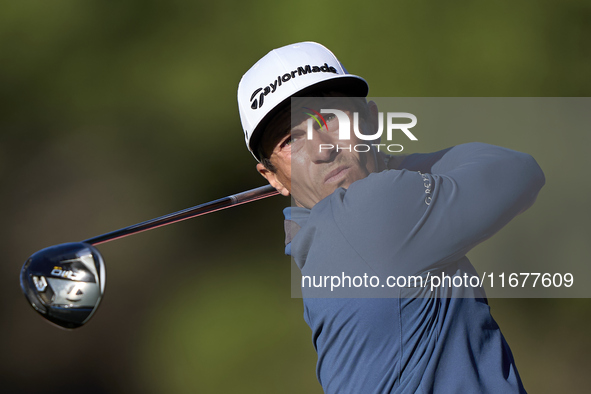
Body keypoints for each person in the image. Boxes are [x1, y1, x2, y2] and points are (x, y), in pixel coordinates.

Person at [237, 42, 545, 393]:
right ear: (272, 176)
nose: (323, 148)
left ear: (369, 120)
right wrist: (389, 163)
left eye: (329, 119)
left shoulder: (310, 245)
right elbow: (518, 171)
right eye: (292, 139)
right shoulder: (376, 208)